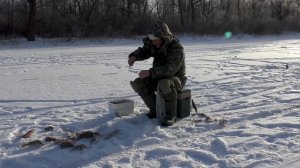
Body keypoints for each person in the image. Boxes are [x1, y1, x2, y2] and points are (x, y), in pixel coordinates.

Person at [128, 21, 187, 126]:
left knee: (164, 83)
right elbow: (145, 50)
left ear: (164, 38)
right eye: (152, 40)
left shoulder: (177, 49)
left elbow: (169, 70)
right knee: (138, 83)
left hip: (175, 79)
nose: (153, 43)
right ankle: (155, 110)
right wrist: (134, 56)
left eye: (155, 40)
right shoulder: (156, 44)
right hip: (158, 77)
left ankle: (170, 115)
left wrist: (150, 73)